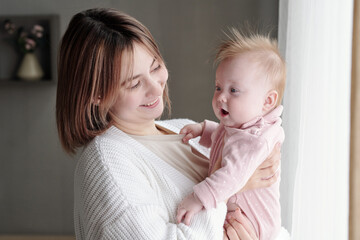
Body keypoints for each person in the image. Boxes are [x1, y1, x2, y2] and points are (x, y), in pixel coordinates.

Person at [56, 8, 282, 240]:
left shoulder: (185, 129)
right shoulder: (107, 163)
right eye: (134, 83)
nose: (156, 87)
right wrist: (232, 187)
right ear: (97, 94)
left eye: (155, 67)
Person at [176, 29, 286, 240]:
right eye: (218, 87)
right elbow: (225, 136)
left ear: (267, 102)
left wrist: (198, 198)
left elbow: (231, 175)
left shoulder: (254, 138)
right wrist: (204, 130)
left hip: (252, 223)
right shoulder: (243, 125)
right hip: (239, 212)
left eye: (233, 90)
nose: (221, 97)